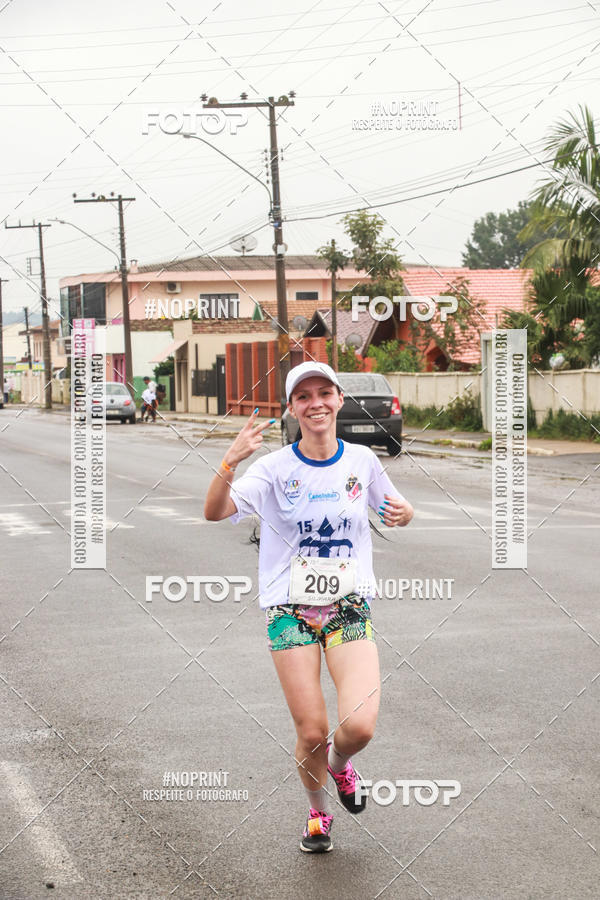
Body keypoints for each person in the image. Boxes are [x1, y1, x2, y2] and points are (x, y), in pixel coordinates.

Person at [204, 361, 413, 853]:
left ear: (339, 399)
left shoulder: (363, 460)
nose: (315, 403)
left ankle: (342, 767)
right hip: (288, 610)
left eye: (324, 392)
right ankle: (318, 812)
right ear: (292, 408)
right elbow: (214, 511)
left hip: (347, 605)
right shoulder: (275, 469)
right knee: (313, 731)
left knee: (357, 726)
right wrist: (229, 462)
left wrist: (407, 513)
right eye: (304, 396)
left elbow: (397, 509)